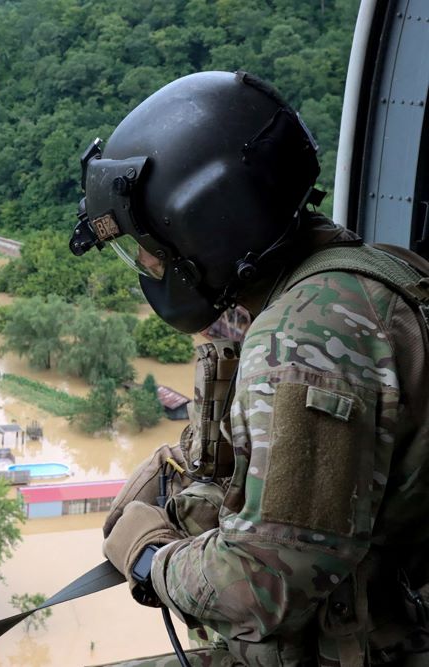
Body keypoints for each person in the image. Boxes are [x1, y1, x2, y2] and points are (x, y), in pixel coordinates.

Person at [70, 71, 429, 665]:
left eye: (147, 248)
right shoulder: (371, 273)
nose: (148, 266)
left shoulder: (304, 335)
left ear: (206, 225)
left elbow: (265, 585)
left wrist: (151, 559)